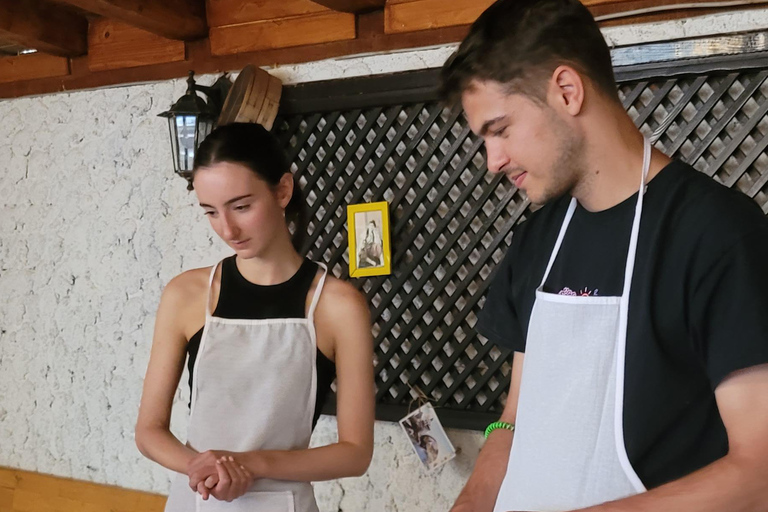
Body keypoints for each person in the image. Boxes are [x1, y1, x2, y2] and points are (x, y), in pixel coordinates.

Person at [440, 0, 768, 511]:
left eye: (499, 130)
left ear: (567, 92)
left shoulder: (719, 235)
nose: (492, 162)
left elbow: (759, 473)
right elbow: (516, 414)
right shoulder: (538, 241)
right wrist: (473, 499)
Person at [135, 123, 375, 511]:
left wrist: (251, 463)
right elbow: (148, 432)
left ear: (282, 190)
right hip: (195, 498)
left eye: (242, 206)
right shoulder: (186, 295)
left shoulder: (338, 306)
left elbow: (355, 453)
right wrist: (201, 465)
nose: (227, 229)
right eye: (210, 212)